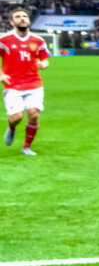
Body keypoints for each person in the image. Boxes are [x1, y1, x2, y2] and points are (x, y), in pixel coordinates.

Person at [0, 8, 49, 156]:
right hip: (12, 84)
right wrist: (1, 75)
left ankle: (27, 146)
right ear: (12, 22)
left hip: (34, 83)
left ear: (29, 20)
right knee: (17, 117)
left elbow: (44, 59)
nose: (22, 18)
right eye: (18, 16)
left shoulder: (38, 40)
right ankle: (12, 127)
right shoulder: (4, 40)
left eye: (25, 16)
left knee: (33, 115)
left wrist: (44, 64)